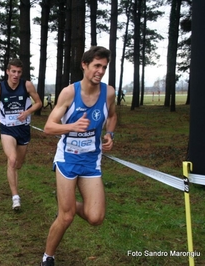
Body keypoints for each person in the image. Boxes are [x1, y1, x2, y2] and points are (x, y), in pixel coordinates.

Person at [40, 46, 117, 266]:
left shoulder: (108, 93)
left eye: (104, 67)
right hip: (68, 160)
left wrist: (110, 133)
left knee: (96, 217)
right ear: (84, 65)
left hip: (91, 161)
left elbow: (112, 116)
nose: (100, 71)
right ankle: (48, 257)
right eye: (96, 66)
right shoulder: (69, 93)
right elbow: (48, 127)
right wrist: (73, 126)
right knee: (66, 216)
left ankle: (67, 201)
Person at [0, 58, 42, 211]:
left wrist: (27, 112)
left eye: (19, 72)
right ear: (7, 71)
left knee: (19, 164)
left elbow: (38, 102)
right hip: (7, 129)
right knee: (12, 159)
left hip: (23, 129)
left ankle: (13, 179)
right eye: (13, 71)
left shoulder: (27, 85)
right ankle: (15, 197)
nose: (16, 75)